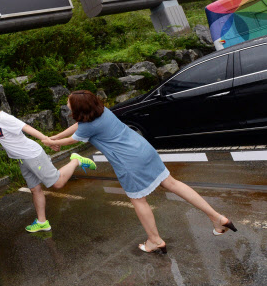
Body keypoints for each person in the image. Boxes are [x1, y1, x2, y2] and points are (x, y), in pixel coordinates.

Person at [43, 90, 237, 254]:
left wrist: (53, 142)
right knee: (172, 183)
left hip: (129, 162)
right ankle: (217, 218)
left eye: (69, 104)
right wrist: (55, 137)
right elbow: (78, 127)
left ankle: (154, 240)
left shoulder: (89, 126)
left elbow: (73, 139)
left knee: (138, 200)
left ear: (78, 109)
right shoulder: (102, 112)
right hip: (144, 150)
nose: (67, 105)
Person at [0, 92, 96, 233]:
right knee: (34, 189)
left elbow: (27, 128)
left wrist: (48, 141)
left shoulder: (5, 119)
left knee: (58, 183)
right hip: (21, 158)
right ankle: (42, 222)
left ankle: (76, 160)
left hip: (32, 155)